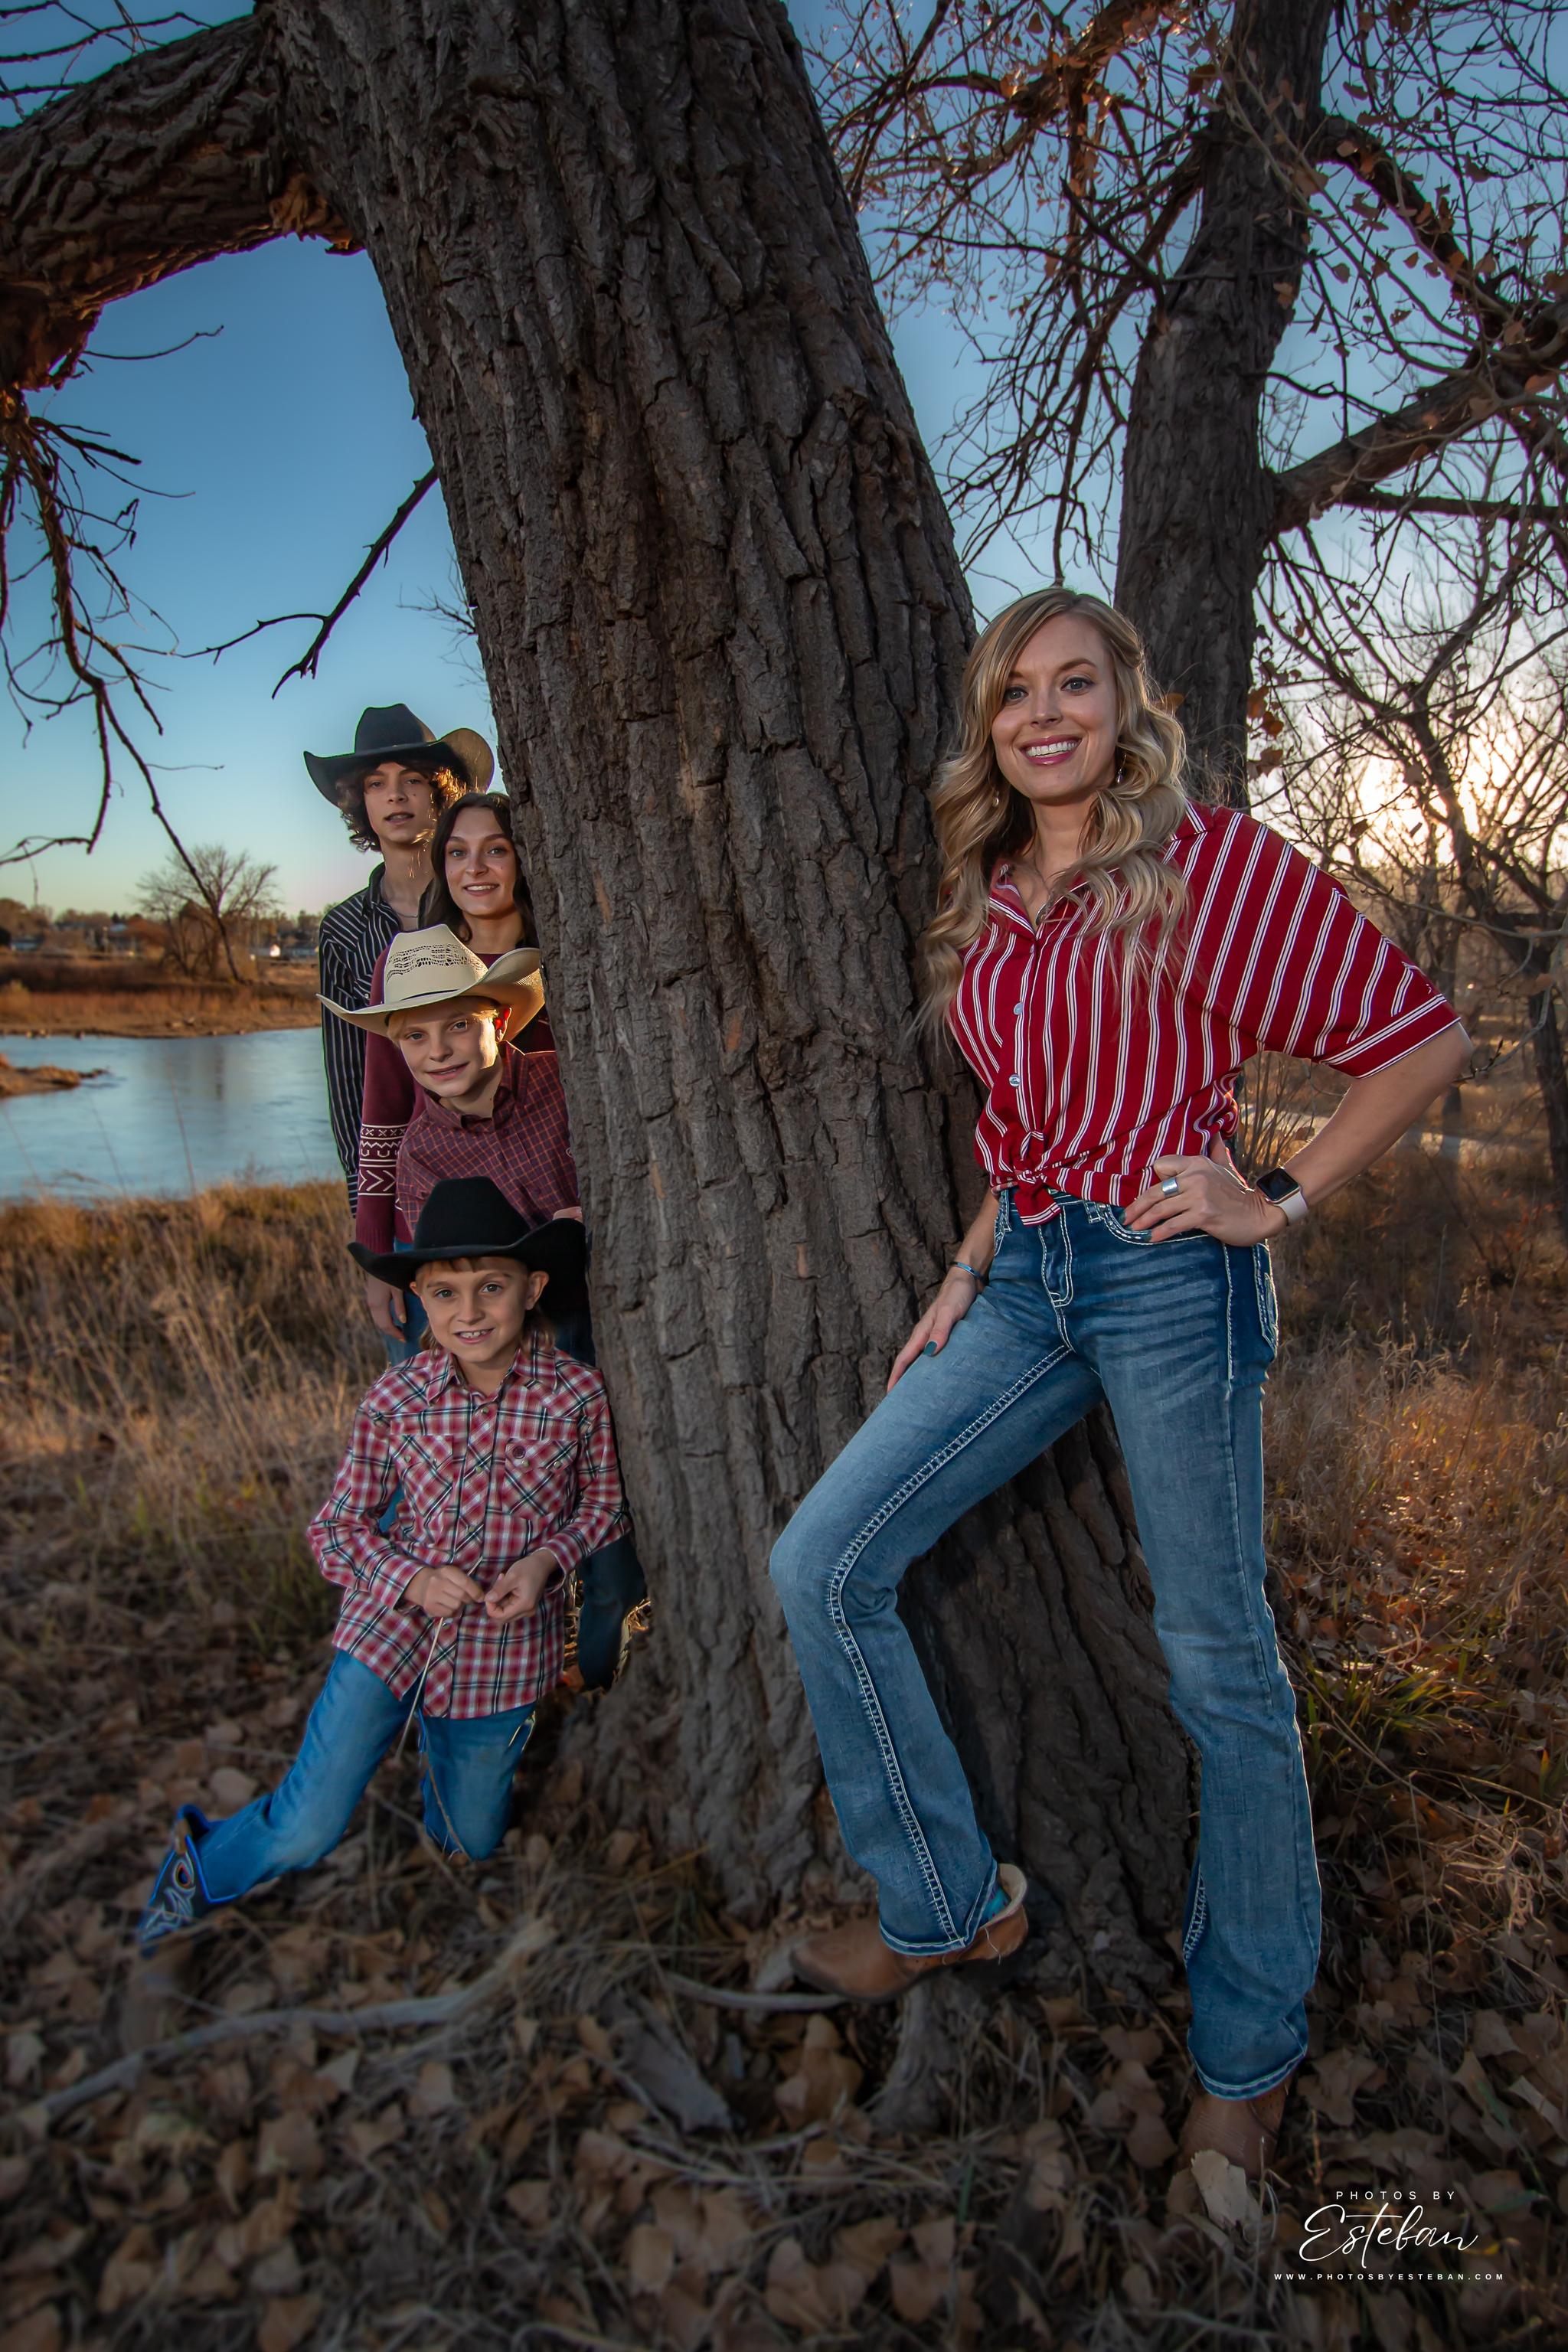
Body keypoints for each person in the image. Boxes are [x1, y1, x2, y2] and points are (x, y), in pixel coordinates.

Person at [767, 586, 1470, 2179]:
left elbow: (1419, 1039)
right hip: (1024, 1280)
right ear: (988, 728)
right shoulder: (994, 894)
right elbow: (1023, 1121)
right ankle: (942, 1905)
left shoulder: (1205, 863)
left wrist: (1270, 1199)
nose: (1043, 714)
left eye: (1073, 683)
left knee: (1220, 1667)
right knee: (822, 1557)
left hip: (1169, 1282)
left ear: (1125, 701)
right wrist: (962, 1271)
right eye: (1015, 693)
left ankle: (1249, 2047)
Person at [137, 1180, 627, 1953]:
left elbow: (601, 1508)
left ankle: (441, 1771)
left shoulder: (576, 1395)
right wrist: (410, 1579)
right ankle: (201, 1867)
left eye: (490, 1288)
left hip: (499, 1659)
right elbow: (334, 1530)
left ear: (532, 1289)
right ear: (419, 1301)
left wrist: (544, 1560)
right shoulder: (396, 1397)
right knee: (308, 1827)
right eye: (444, 1293)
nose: (468, 1313)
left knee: (467, 1843)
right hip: (389, 1635)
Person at [325, 926, 649, 1693]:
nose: (439, 1050)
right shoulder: (420, 1155)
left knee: (620, 1509)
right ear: (398, 1052)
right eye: (415, 1037)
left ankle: (607, 1663)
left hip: (621, 1321)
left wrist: (580, 1217)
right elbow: (453, 1292)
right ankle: (543, 1674)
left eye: (458, 1026)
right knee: (548, 1511)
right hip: (530, 1347)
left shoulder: (562, 1082)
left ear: (497, 1022)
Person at [354, 792, 551, 1318]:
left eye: (496, 850)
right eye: (458, 853)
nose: (476, 869)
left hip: (547, 1233)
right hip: (434, 1234)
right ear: (442, 866)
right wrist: (376, 1249)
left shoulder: (561, 964)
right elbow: (384, 1108)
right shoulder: (410, 967)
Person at [307, 704, 494, 1216]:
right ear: (358, 800)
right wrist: (367, 1213)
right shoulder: (344, 930)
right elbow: (350, 1082)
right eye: (375, 783)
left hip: (515, 1159)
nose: (395, 794)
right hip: (416, 1186)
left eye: (412, 778)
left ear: (440, 792)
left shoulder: (487, 901)